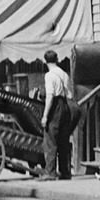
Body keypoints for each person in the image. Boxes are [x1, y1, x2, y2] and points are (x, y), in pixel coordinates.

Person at [40, 49, 77, 181]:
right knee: (63, 140)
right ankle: (65, 171)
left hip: (55, 106)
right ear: (56, 60)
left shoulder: (49, 75)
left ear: (45, 61)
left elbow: (50, 96)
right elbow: (70, 93)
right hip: (65, 106)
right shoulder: (64, 74)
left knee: (50, 140)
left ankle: (50, 172)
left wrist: (45, 116)